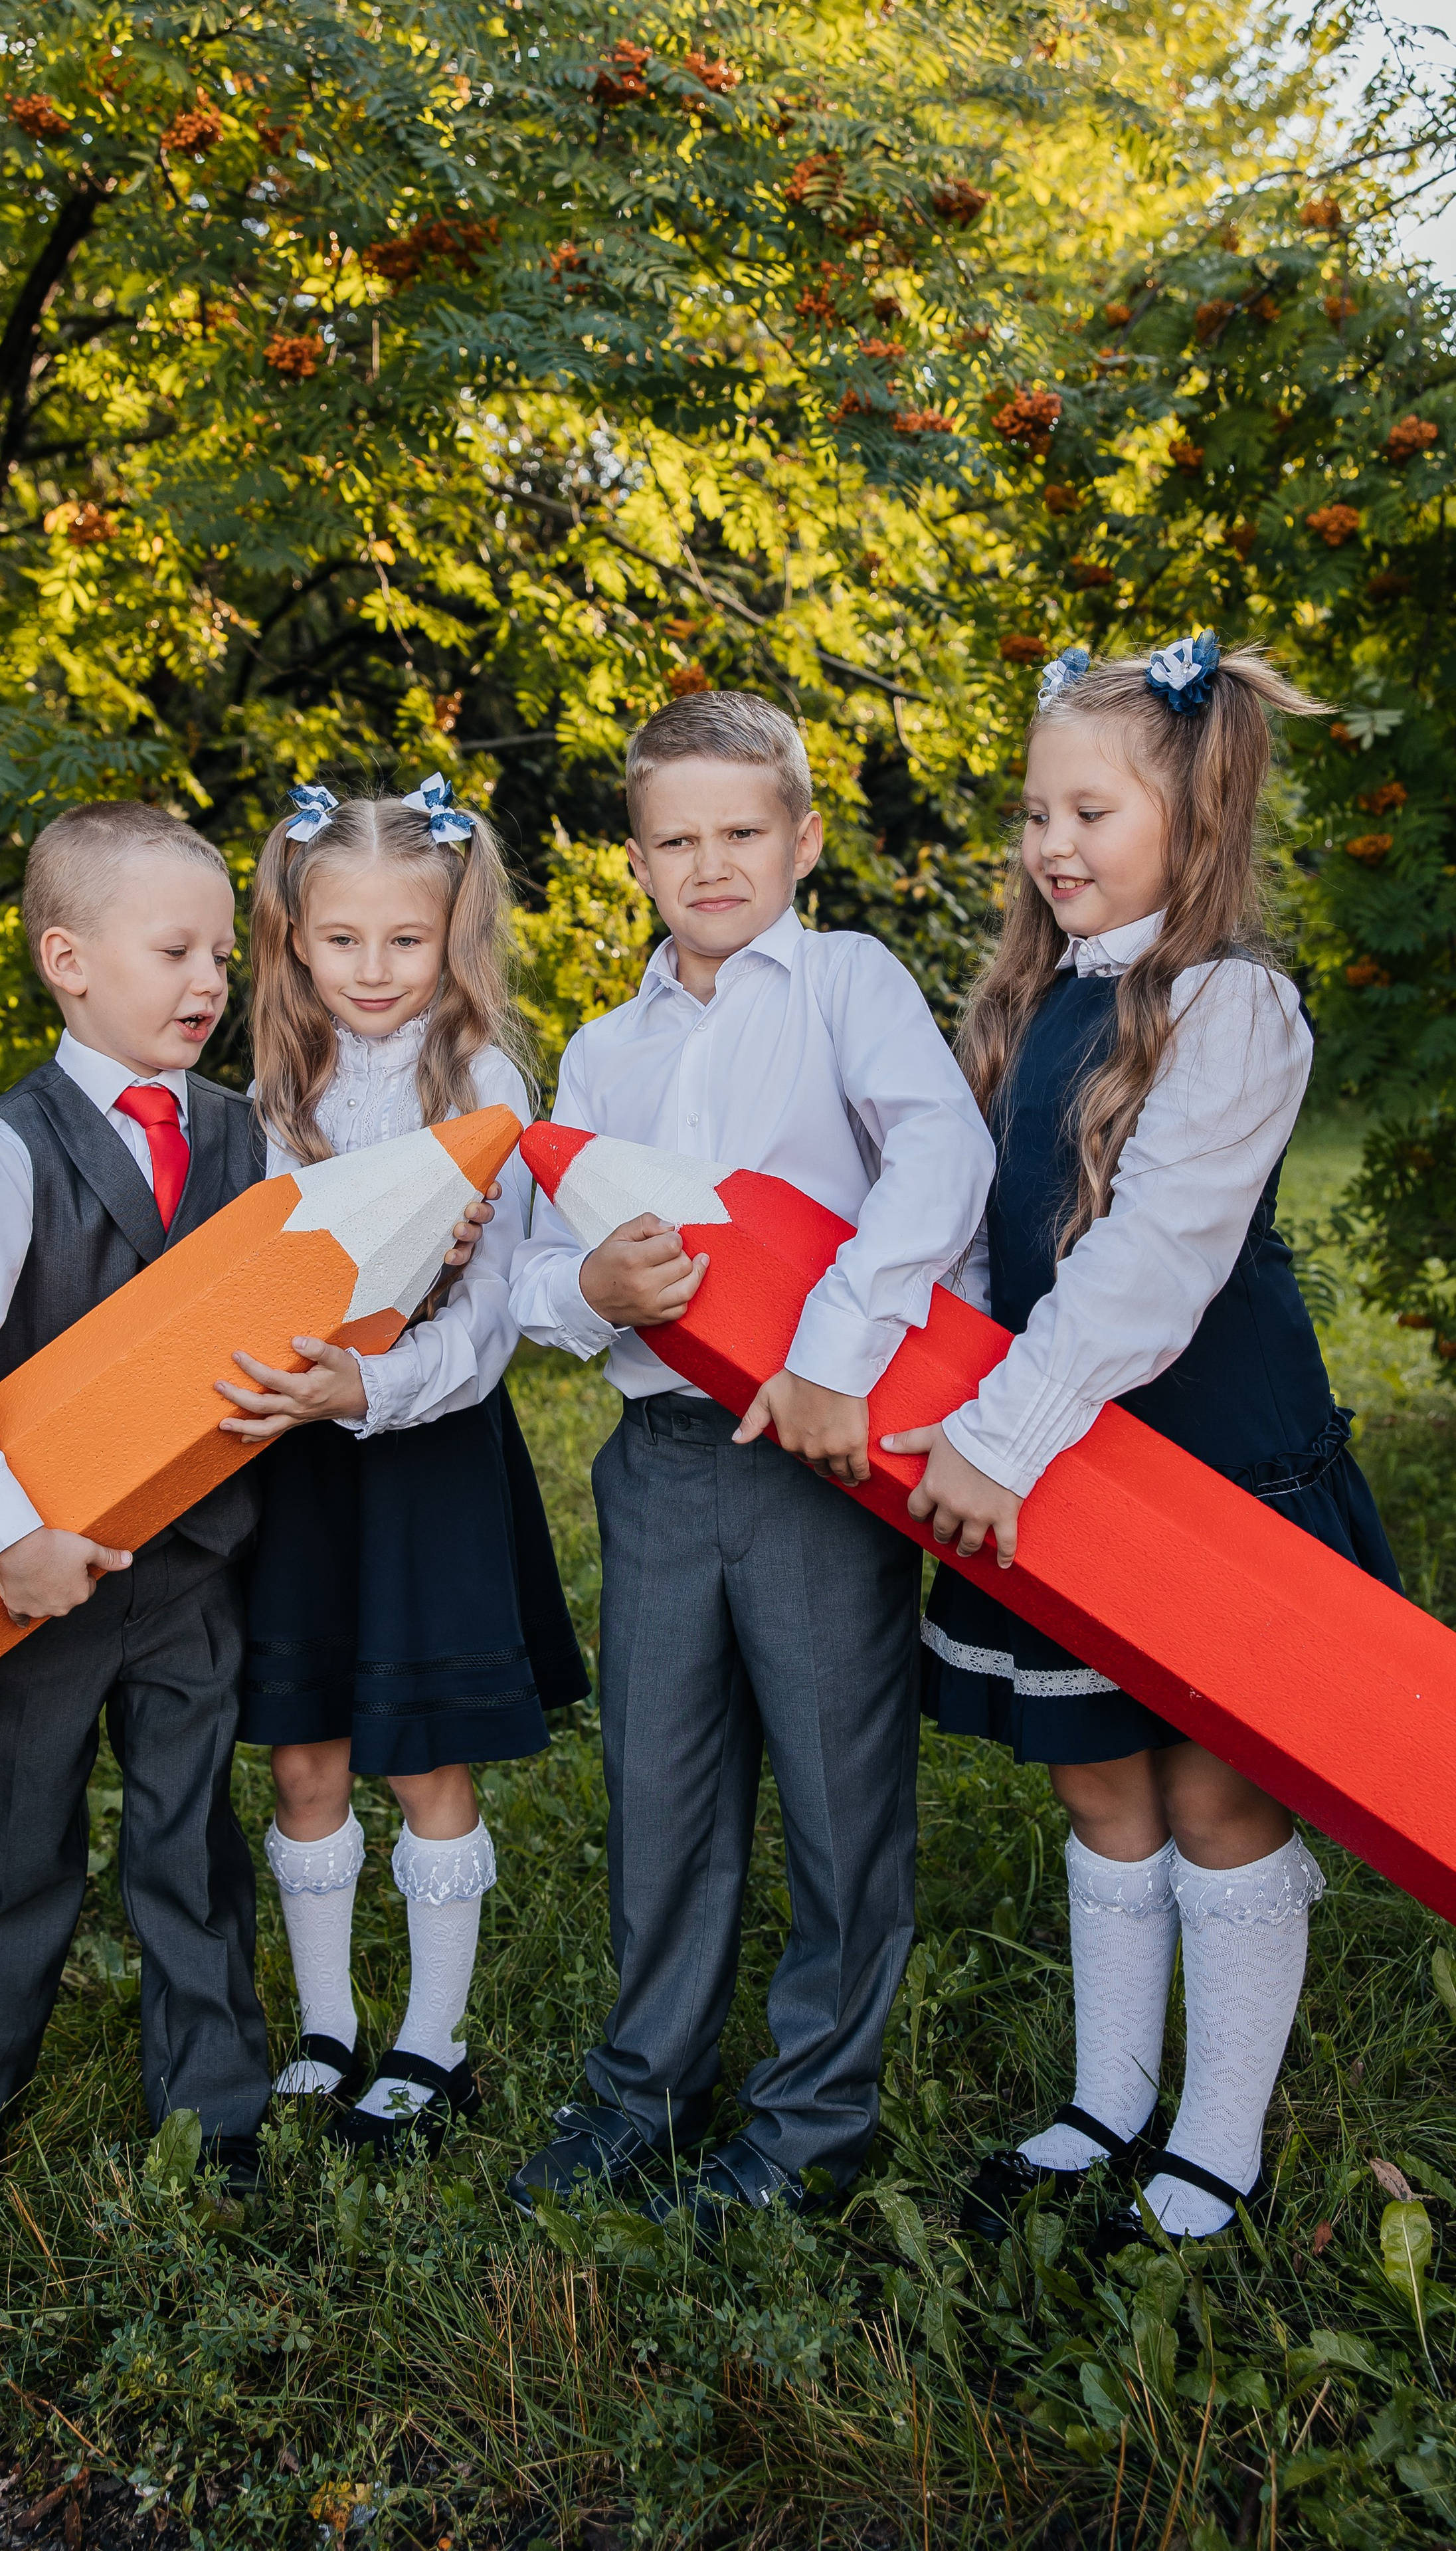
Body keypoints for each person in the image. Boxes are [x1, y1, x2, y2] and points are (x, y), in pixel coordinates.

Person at [892, 637, 1402, 2243]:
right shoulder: (1028, 997)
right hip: (1045, 1460)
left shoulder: (1230, 1008)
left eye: (1089, 810)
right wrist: (946, 1405)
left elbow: (1153, 1265)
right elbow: (991, 1240)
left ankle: (1212, 2140)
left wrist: (1002, 1429)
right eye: (1033, 809)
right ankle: (1105, 2099)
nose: (1049, 842)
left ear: (1195, 811)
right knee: (1100, 1792)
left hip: (1200, 1467)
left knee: (1212, 1802)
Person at [504, 692, 995, 2231]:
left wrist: (833, 1356)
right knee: (658, 1787)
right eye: (674, 840)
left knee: (840, 1801)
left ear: (802, 838)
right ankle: (643, 2091)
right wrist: (588, 1294)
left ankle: (805, 2126)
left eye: (739, 832)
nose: (708, 865)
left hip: (815, 1465)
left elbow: (940, 1159)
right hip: (655, 1459)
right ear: (633, 862)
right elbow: (531, 1259)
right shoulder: (598, 1048)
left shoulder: (844, 982)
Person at [0, 806, 284, 2190]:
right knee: (9, 1849)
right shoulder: (12, 1150)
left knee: (190, 1847)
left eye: (223, 950)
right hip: (36, 1583)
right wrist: (5, 1540)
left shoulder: (243, 1137)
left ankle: (216, 2120)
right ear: (69, 960)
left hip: (192, 1571)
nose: (209, 979)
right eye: (174, 949)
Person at [214, 777, 589, 2156]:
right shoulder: (263, 1092)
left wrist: (370, 1378)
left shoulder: (485, 1082)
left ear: (453, 938)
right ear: (292, 940)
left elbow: (488, 1321)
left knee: (420, 1751)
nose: (373, 972)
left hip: (426, 1449)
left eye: (405, 943)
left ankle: (433, 2040)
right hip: (297, 1468)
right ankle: (323, 2023)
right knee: (305, 1750)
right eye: (340, 941)